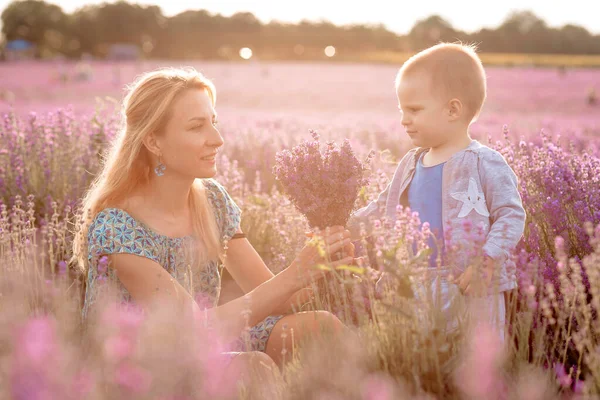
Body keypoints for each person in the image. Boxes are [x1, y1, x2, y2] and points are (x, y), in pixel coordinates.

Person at [71, 67, 355, 381]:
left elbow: (280, 300)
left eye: (213, 123)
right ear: (153, 141)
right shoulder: (118, 227)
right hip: (134, 370)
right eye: (197, 127)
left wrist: (325, 267)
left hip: (195, 347)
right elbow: (192, 330)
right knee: (253, 367)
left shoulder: (212, 201)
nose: (217, 140)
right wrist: (294, 275)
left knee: (321, 327)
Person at [348, 43, 526, 340]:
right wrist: (347, 227)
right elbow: (383, 206)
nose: (404, 119)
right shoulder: (410, 163)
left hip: (470, 284)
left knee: (474, 360)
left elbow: (510, 214)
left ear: (452, 109)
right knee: (421, 359)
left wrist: (488, 260)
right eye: (402, 110)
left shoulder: (484, 162)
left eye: (414, 110)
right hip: (414, 283)